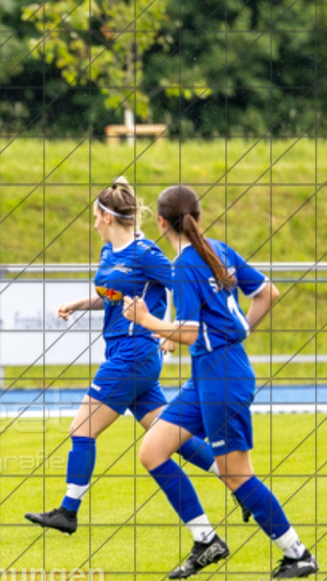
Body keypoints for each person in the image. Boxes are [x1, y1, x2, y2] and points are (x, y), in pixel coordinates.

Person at [122, 184, 317, 579]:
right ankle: (207, 541)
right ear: (197, 214)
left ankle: (298, 555)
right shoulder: (219, 250)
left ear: (160, 223)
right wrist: (236, 330)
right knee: (153, 451)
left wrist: (149, 321)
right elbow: (267, 294)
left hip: (222, 377)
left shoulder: (185, 266)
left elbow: (192, 332)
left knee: (236, 475)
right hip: (209, 375)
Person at [26, 178, 223, 535]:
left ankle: (68, 512)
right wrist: (81, 304)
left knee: (81, 428)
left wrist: (173, 329)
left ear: (106, 217)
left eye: (94, 217)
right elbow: (114, 294)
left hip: (134, 355)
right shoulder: (108, 253)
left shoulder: (146, 253)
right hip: (124, 352)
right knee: (167, 436)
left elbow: (183, 282)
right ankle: (234, 480)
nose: (93, 223)